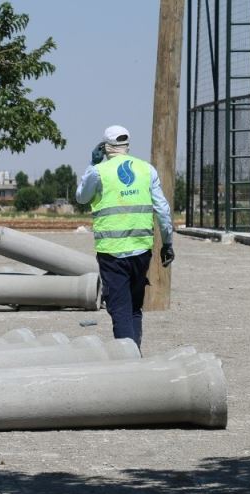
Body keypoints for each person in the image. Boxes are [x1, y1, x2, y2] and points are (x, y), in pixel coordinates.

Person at [76, 125, 174, 349]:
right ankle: (134, 353)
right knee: (134, 308)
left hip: (112, 253)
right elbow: (163, 210)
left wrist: (92, 163)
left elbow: (81, 197)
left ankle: (128, 360)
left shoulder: (98, 172)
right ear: (127, 145)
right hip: (141, 251)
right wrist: (167, 243)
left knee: (120, 310)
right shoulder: (146, 169)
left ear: (105, 147)